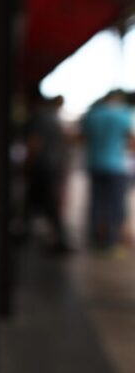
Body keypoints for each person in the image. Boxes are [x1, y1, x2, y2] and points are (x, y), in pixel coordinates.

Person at [81, 90, 134, 253]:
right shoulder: (123, 115)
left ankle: (95, 238)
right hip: (116, 166)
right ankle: (112, 241)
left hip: (94, 164)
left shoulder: (92, 115)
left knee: (97, 202)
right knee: (115, 204)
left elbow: (82, 137)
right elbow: (131, 141)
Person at [25, 94, 71, 253]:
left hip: (43, 165)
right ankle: (58, 238)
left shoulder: (41, 117)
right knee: (47, 202)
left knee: (43, 202)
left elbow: (34, 142)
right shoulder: (54, 119)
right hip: (53, 165)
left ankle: (58, 239)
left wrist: (29, 163)